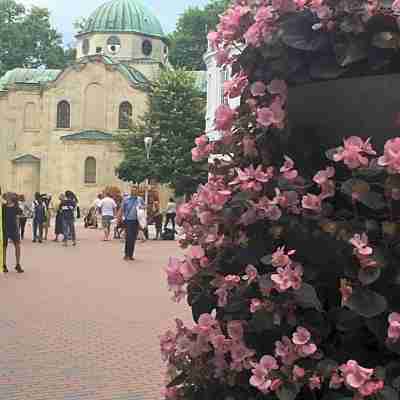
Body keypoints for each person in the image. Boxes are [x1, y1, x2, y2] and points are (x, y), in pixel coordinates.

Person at [2, 193, 24, 273]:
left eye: (8, 196)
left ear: (11, 198)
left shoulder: (16, 207)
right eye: (6, 197)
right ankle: (4, 265)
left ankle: (17, 264)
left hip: (14, 229)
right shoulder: (3, 207)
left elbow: (21, 213)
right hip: (4, 229)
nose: (7, 198)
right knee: (4, 247)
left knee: (17, 246)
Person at [121, 187, 144, 261]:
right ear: (131, 191)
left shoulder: (140, 199)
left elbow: (144, 207)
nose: (134, 192)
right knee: (129, 237)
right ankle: (126, 254)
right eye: (133, 191)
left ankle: (131, 255)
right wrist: (120, 218)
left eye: (135, 191)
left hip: (136, 221)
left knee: (133, 238)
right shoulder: (126, 199)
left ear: (137, 192)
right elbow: (122, 209)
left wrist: (142, 207)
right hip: (128, 220)